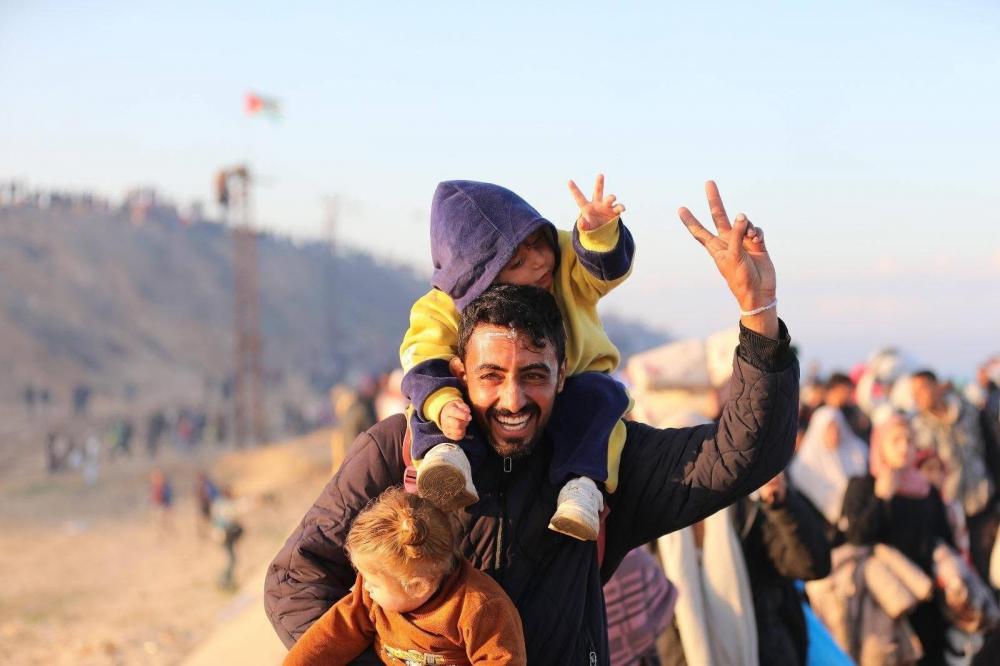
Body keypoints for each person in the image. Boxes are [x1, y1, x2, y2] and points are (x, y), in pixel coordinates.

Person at [265, 181, 800, 665]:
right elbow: (295, 579)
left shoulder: (606, 463)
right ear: (459, 371)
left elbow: (742, 454)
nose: (513, 399)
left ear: (564, 373)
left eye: (534, 375)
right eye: (491, 375)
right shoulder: (399, 451)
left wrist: (759, 312)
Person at [400, 175, 633, 541]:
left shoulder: (562, 266)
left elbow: (601, 272)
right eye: (518, 262)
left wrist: (598, 234)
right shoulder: (442, 307)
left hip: (576, 382)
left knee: (599, 404)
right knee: (434, 405)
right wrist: (443, 405)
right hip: (478, 409)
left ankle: (582, 488)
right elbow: (422, 362)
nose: (539, 262)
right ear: (481, 284)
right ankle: (446, 458)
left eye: (538, 243)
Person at [283, 487, 526, 665]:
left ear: (417, 586)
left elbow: (501, 660)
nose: (364, 587)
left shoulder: (479, 607)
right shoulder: (371, 600)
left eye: (373, 583)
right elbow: (332, 635)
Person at [840, 413, 954, 664]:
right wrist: (881, 498)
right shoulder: (863, 486)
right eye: (896, 440)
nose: (905, 447)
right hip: (884, 601)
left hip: (925, 598)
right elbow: (856, 538)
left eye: (910, 440)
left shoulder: (925, 489)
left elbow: (944, 539)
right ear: (880, 444)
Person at [910, 369, 1000, 582]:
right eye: (914, 393)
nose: (917, 397)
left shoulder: (969, 412)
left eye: (922, 389)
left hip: (985, 502)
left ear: (937, 387)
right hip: (952, 512)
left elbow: (992, 451)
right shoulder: (918, 429)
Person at [788, 405, 869, 528]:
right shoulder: (802, 468)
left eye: (837, 428)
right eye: (829, 429)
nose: (835, 433)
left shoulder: (858, 451)